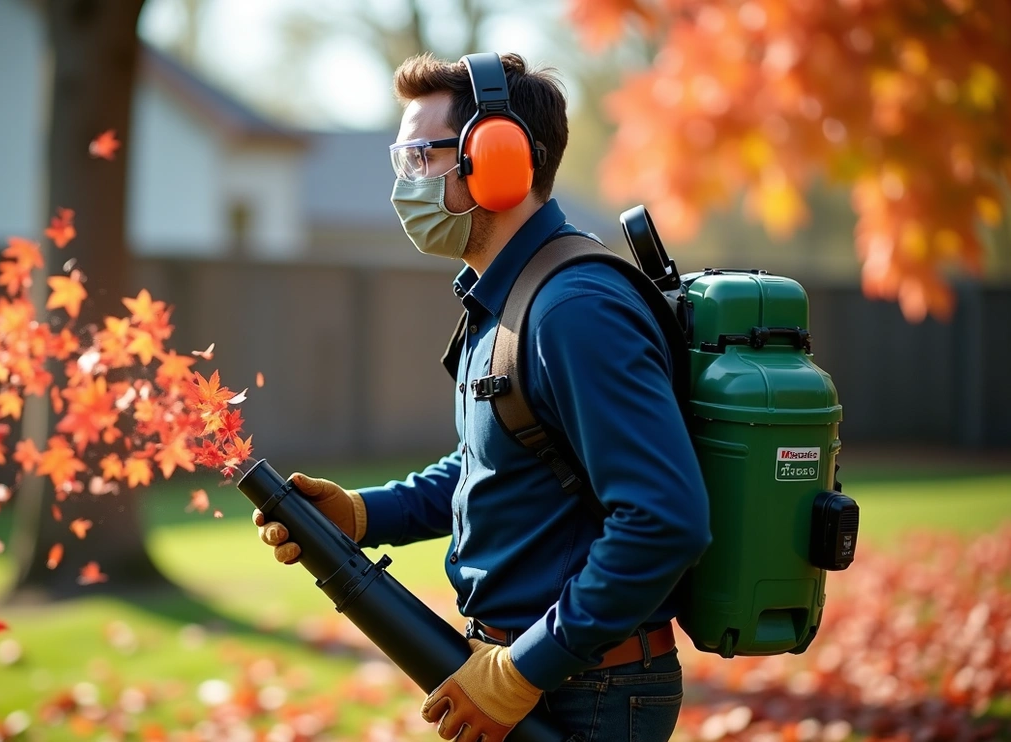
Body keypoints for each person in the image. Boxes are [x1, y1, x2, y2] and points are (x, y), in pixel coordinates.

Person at [252, 52, 711, 742]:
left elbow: (665, 519)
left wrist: (523, 671)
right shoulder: (510, 298)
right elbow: (495, 467)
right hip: (533, 673)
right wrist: (359, 515)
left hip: (587, 690)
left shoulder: (573, 309)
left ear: (495, 159)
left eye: (418, 157)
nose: (404, 184)